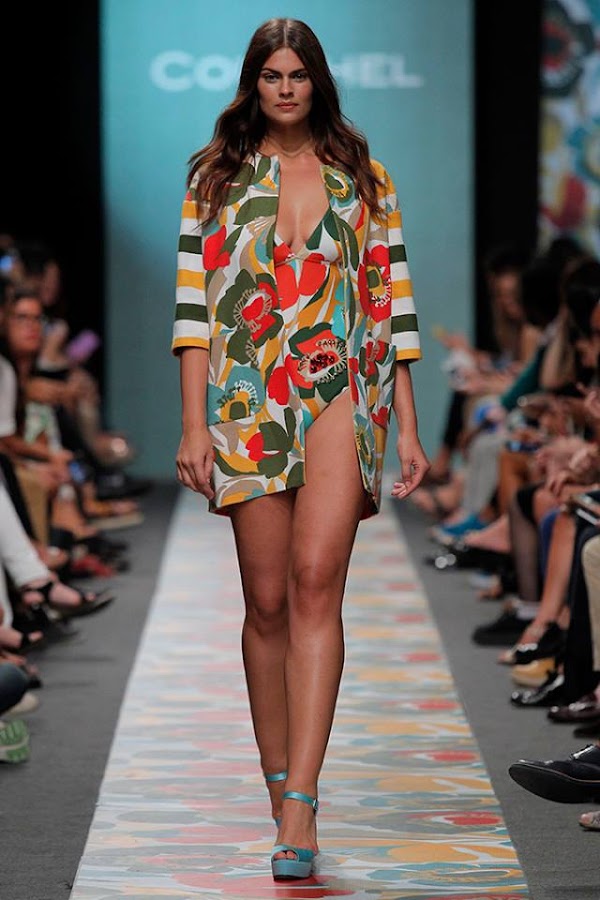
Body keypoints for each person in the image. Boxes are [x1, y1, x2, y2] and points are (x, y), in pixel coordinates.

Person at [172, 17, 428, 881]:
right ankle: (277, 779)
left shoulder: (365, 176)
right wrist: (194, 423)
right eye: (271, 75)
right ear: (254, 83)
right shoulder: (214, 178)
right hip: (246, 396)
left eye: (298, 74)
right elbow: (194, 308)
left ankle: (302, 804)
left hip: (339, 392)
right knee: (267, 600)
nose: (285, 89)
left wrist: (408, 424)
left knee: (318, 582)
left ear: (318, 80)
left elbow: (391, 302)